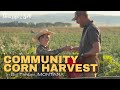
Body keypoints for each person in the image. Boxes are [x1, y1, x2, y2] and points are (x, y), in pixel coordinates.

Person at [71, 11, 101, 78]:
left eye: (77, 19)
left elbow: (96, 49)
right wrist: (77, 48)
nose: (76, 22)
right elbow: (89, 47)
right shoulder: (88, 28)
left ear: (82, 17)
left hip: (90, 63)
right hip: (87, 63)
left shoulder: (92, 29)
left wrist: (84, 55)